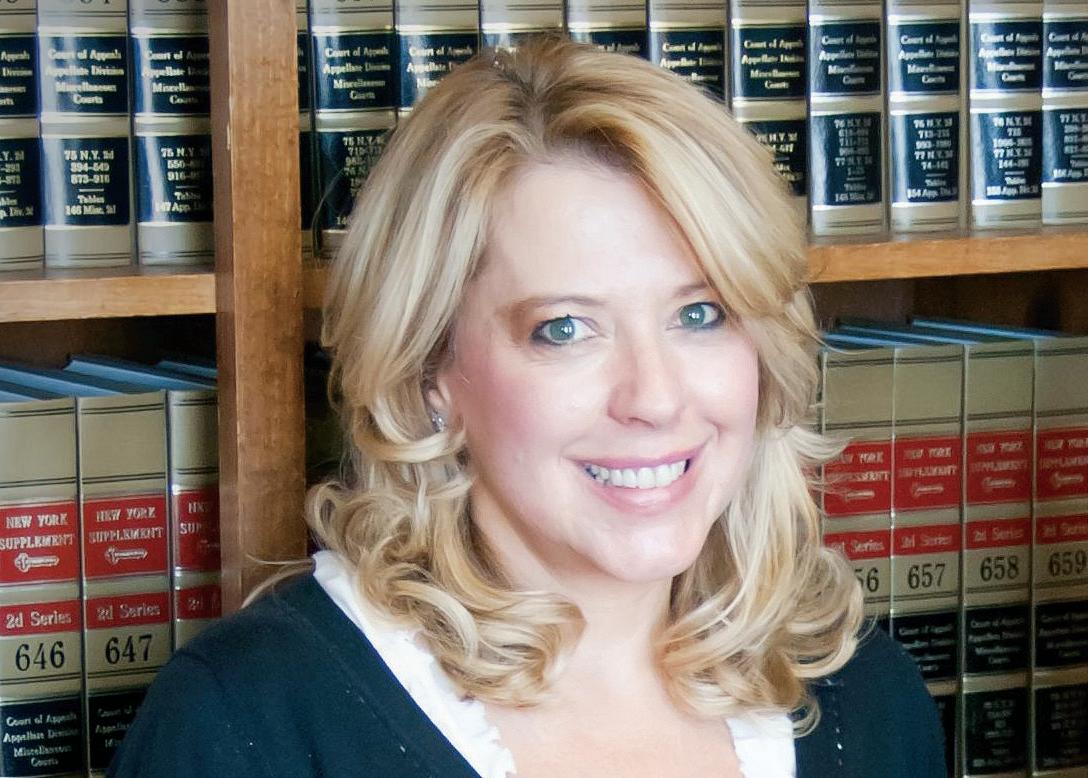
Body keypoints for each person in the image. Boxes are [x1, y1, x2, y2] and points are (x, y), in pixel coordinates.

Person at [109, 36, 945, 777]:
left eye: (700, 314)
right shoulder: (247, 722)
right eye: (565, 329)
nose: (654, 398)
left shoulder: (865, 695)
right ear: (430, 370)